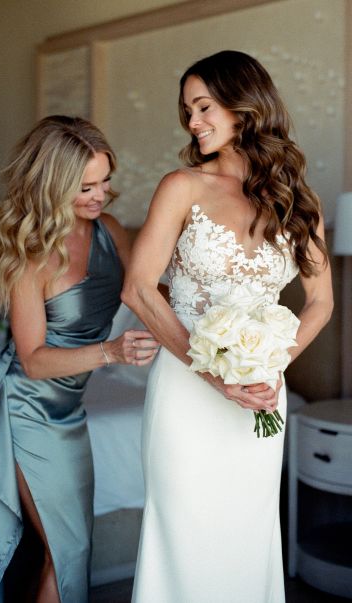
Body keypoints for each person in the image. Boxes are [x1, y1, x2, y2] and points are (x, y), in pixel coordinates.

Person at [122, 50, 333, 603]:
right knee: (185, 533)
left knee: (246, 530)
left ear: (245, 106)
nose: (193, 122)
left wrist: (268, 365)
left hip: (262, 394)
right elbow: (140, 289)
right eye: (188, 110)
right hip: (187, 393)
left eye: (204, 106)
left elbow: (321, 302)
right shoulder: (181, 186)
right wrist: (216, 374)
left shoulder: (296, 198)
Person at [0, 115, 159, 603]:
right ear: (51, 186)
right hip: (26, 408)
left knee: (71, 545)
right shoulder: (31, 255)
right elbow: (31, 360)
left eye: (105, 181)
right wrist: (112, 351)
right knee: (66, 548)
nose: (100, 196)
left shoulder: (109, 230)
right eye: (85, 186)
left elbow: (146, 294)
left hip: (69, 407)